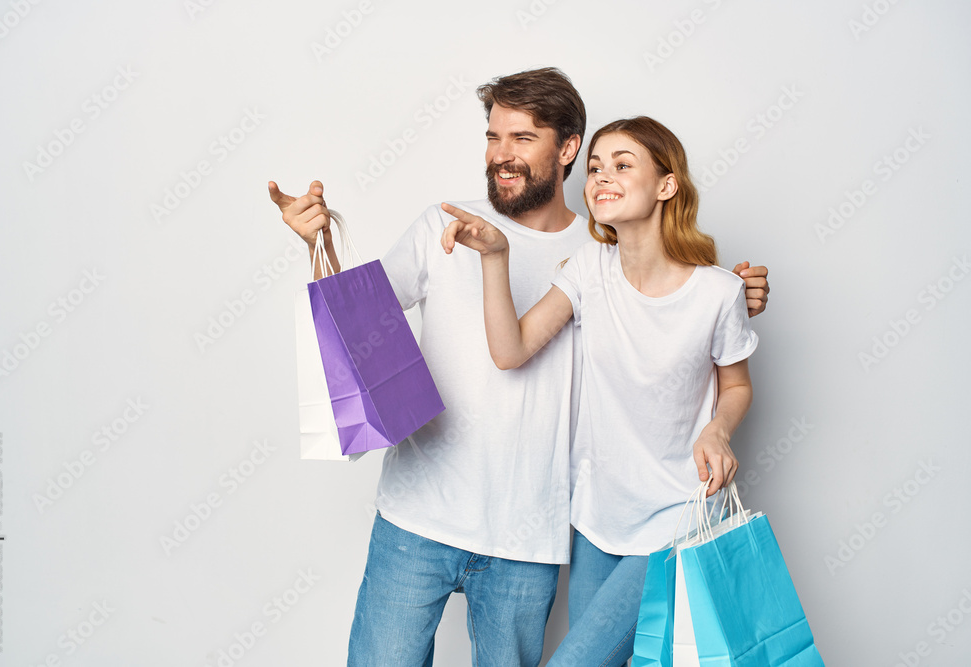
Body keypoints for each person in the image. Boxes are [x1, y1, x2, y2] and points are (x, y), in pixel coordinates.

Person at [269, 68, 769, 666]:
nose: (501, 155)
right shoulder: (444, 223)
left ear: (566, 150)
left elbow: (668, 314)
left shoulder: (601, 256)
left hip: (528, 541)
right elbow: (357, 322)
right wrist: (316, 245)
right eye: (492, 136)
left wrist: (731, 293)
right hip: (416, 521)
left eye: (522, 138)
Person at [440, 115, 756, 665]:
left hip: (677, 514)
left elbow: (736, 385)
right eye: (594, 167)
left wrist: (718, 428)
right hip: (596, 519)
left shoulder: (718, 292)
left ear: (666, 185)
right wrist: (495, 257)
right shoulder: (589, 269)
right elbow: (510, 351)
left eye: (622, 165)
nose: (601, 176)